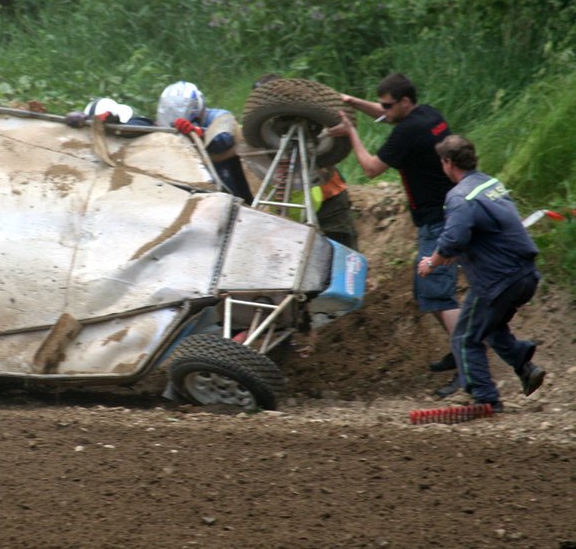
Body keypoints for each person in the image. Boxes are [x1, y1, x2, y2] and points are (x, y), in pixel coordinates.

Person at [328, 73, 461, 395]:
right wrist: (354, 102)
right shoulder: (427, 114)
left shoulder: (407, 131)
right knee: (426, 292)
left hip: (436, 220)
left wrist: (351, 133)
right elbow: (386, 116)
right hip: (445, 212)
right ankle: (460, 353)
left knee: (439, 296)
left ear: (404, 102)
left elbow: (371, 169)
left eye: (388, 105)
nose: (383, 111)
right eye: (382, 105)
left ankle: (468, 364)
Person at [417, 135, 545, 411]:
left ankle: (484, 398)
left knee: (465, 336)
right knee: (491, 326)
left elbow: (453, 238)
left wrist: (433, 261)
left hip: (497, 280)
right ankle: (525, 367)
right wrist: (459, 253)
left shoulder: (459, 196)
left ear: (448, 163)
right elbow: (487, 229)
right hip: (525, 274)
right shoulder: (490, 184)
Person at [252, 74, 357, 249]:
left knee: (340, 252)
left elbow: (332, 141)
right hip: (289, 206)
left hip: (327, 199)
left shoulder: (311, 123)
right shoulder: (261, 131)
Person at [156, 81, 254, 204]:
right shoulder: (164, 125)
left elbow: (224, 139)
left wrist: (198, 133)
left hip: (226, 181)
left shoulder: (220, 116)